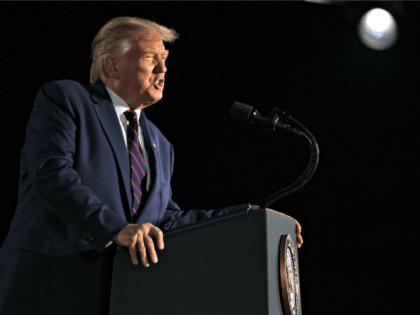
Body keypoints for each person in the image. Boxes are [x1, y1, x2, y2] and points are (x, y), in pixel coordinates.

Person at [0, 16, 303, 314]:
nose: (163, 69)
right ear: (112, 64)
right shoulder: (66, 98)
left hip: (119, 294)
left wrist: (247, 218)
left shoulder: (161, 144)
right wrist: (115, 229)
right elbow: (52, 174)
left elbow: (165, 221)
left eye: (165, 60)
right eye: (150, 58)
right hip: (49, 281)